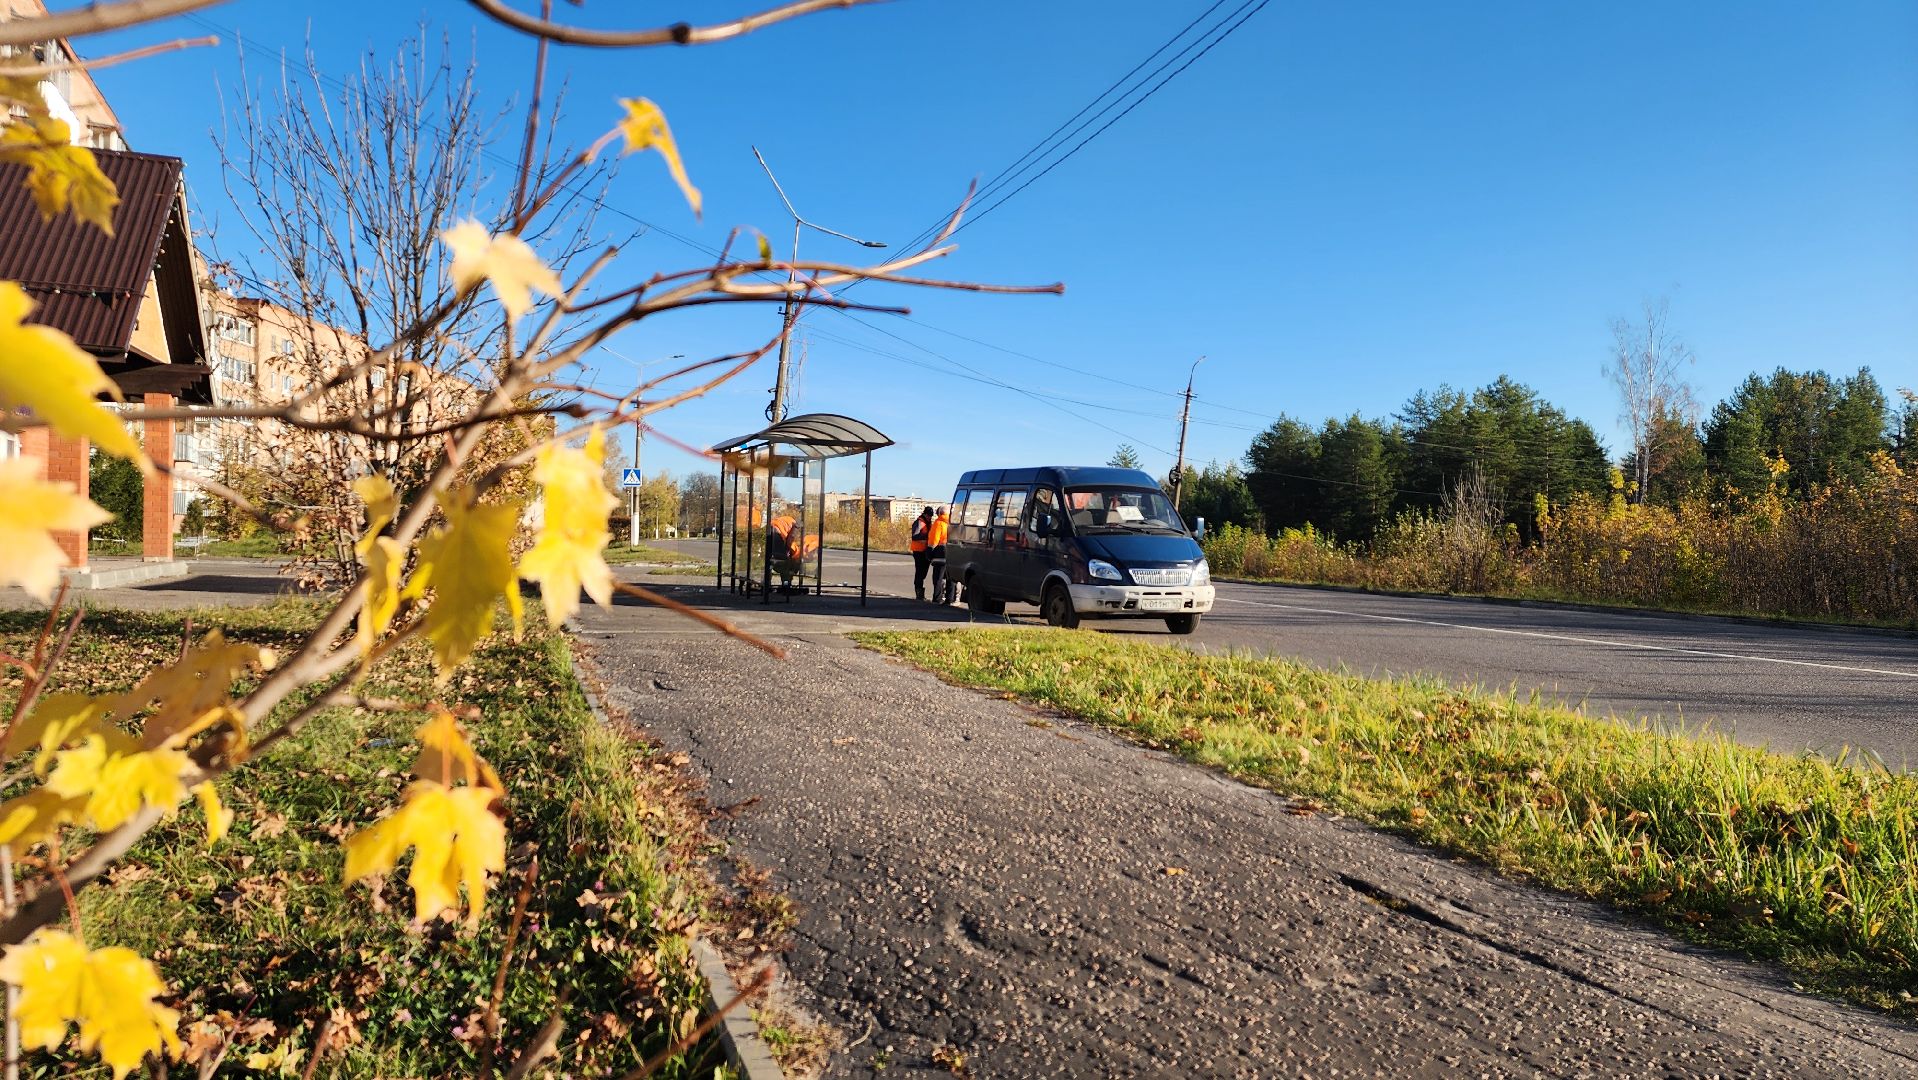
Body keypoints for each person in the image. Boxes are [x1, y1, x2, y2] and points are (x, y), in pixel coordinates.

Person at [926, 506, 952, 604]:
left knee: (938, 577)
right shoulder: (953, 522)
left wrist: (929, 550)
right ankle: (950, 598)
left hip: (940, 552)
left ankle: (937, 598)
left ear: (939, 513)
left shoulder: (938, 523)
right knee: (950, 577)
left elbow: (934, 539)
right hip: (951, 551)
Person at [909, 505, 934, 601]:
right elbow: (914, 536)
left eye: (931, 516)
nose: (929, 517)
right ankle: (919, 594)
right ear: (924, 514)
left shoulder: (928, 523)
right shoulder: (919, 522)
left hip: (925, 551)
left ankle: (921, 594)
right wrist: (926, 536)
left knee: (923, 572)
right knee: (919, 572)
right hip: (918, 551)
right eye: (928, 515)